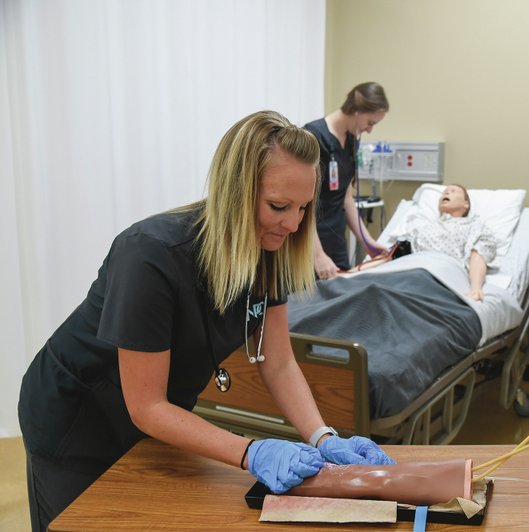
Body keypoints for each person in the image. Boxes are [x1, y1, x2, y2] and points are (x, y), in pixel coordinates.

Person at [17, 110, 394, 531]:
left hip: (155, 417)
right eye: (278, 206)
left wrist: (322, 436)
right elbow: (146, 404)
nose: (294, 224)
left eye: (304, 207)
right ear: (235, 193)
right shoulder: (150, 254)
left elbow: (279, 361)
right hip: (76, 416)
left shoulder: (269, 253)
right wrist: (251, 452)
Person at [304, 82, 390, 279]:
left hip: (336, 242)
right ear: (358, 110)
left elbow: (346, 199)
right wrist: (317, 255)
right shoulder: (313, 136)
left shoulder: (352, 139)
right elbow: (302, 204)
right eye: (370, 122)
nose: (370, 130)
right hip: (309, 242)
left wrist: (367, 242)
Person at [406, 184, 498, 301]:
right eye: (444, 192)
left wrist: (476, 288)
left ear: (466, 204)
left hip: (444, 275)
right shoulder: (422, 229)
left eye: (453, 191)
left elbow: (478, 255)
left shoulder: (474, 227)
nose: (446, 193)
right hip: (414, 273)